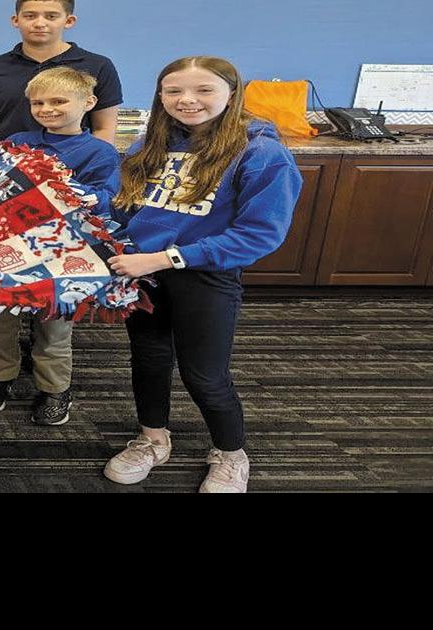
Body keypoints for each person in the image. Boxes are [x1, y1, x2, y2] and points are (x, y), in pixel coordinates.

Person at [102, 56, 302, 493]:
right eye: (173, 91)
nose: (186, 100)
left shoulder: (261, 152)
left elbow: (259, 234)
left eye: (203, 90)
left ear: (232, 93)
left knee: (205, 374)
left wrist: (165, 258)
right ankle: (153, 439)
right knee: (149, 359)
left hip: (204, 274)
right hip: (143, 273)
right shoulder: (148, 144)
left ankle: (231, 454)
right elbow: (124, 208)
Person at [0, 66, 121, 425]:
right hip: (9, 246)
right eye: (38, 102)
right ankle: (0, 377)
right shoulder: (20, 140)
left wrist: (79, 194)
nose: (47, 108)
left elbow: (108, 200)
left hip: (64, 252)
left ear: (89, 103)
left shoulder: (99, 151)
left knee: (54, 324)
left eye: (58, 101)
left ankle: (54, 387)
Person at [0, 0, 122, 144]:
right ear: (16, 20)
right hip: (3, 164)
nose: (40, 23)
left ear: (69, 21)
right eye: (30, 16)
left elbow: (103, 128)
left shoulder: (98, 66)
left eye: (51, 16)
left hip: (69, 166)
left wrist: (91, 161)